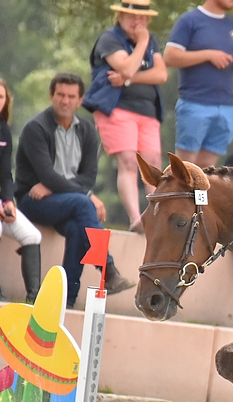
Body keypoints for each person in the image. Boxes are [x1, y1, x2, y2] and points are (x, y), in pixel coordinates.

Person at [15, 72, 134, 308]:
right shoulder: (35, 128)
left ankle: (66, 298)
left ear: (80, 100)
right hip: (32, 200)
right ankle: (108, 270)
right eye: (60, 95)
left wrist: (56, 187)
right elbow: (47, 174)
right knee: (83, 204)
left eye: (71, 96)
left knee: (78, 228)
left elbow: (88, 177)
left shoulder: (88, 131)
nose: (65, 101)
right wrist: (86, 195)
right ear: (51, 96)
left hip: (64, 201)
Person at [86, 0, 167, 233]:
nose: (137, 22)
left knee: (153, 164)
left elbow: (160, 74)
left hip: (148, 111)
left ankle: (156, 214)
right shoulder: (110, 39)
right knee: (129, 162)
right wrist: (142, 43)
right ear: (120, 17)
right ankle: (135, 218)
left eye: (142, 18)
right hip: (117, 108)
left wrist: (130, 79)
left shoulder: (153, 41)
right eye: (132, 17)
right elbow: (127, 66)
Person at [0, 76, 42, 303]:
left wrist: (7, 201)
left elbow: (5, 173)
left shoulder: (3, 131)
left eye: (0, 96)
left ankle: (33, 299)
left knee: (32, 235)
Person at [164, 0, 233, 168]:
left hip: (226, 106)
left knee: (208, 168)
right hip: (195, 102)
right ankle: (178, 194)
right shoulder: (189, 20)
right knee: (185, 166)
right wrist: (208, 55)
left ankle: (200, 195)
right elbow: (170, 56)